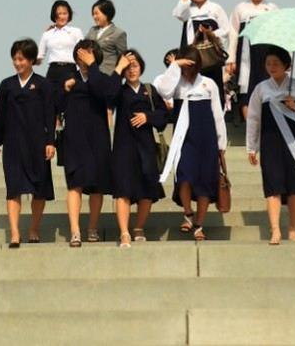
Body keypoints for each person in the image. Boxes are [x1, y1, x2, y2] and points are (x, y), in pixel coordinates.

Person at [84, 47, 168, 248]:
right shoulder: (119, 90)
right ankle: (124, 233)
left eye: (135, 66)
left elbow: (164, 116)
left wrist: (148, 117)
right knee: (123, 191)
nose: (132, 70)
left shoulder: (149, 90)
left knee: (147, 191)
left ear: (142, 67)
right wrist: (118, 69)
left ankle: (138, 227)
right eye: (128, 67)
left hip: (146, 148)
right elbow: (108, 95)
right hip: (123, 147)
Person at [153, 45, 227, 241]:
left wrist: (222, 144)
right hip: (184, 136)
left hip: (206, 136)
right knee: (184, 175)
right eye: (185, 66)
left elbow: (218, 115)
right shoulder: (175, 81)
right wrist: (175, 66)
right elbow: (163, 90)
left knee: (204, 181)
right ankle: (188, 212)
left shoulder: (209, 83)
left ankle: (199, 224)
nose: (188, 71)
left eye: (190, 66)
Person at [0, 38, 55, 248]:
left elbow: (49, 114)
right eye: (15, 59)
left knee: (39, 189)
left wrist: (50, 141)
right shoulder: (6, 85)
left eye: (22, 59)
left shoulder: (43, 84)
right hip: (13, 144)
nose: (17, 63)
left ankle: (34, 228)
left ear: (30, 60)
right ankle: (15, 233)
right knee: (13, 188)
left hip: (37, 143)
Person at [247, 46, 295, 245]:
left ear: (287, 65)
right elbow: (253, 119)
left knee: (294, 188)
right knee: (273, 186)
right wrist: (252, 147)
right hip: (270, 142)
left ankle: (292, 228)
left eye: (276, 63)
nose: (272, 67)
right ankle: (275, 230)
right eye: (268, 63)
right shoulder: (261, 88)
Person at [62, 39, 113, 247]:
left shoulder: (102, 78)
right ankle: (75, 231)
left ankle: (92, 227)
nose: (83, 57)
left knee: (97, 186)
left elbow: (103, 93)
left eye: (88, 53)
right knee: (75, 183)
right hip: (75, 136)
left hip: (98, 136)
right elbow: (55, 103)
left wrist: (92, 66)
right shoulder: (68, 78)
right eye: (81, 53)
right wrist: (65, 89)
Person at [173, 0, 230, 108]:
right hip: (193, 57)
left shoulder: (215, 8)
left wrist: (210, 33)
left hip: (211, 58)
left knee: (214, 90)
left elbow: (226, 30)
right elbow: (178, 14)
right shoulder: (188, 9)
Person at [226, 0, 278, 120]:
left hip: (267, 55)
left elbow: (278, 34)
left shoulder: (272, 8)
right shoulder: (240, 8)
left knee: (267, 90)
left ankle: (265, 126)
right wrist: (231, 58)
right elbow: (233, 32)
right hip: (245, 55)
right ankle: (251, 129)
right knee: (245, 91)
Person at [37, 0, 83, 116]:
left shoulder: (75, 32)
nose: (62, 16)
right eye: (59, 13)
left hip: (71, 70)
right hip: (53, 71)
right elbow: (39, 56)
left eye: (65, 13)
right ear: (54, 15)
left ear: (69, 15)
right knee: (50, 105)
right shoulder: (47, 34)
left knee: (70, 105)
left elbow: (83, 53)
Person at [84, 0, 128, 75]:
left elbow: (123, 58)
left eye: (97, 13)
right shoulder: (92, 30)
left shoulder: (118, 33)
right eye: (93, 14)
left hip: (108, 76)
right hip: (91, 74)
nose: (94, 17)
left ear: (106, 13)